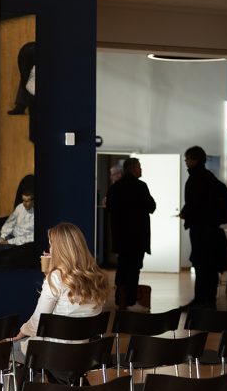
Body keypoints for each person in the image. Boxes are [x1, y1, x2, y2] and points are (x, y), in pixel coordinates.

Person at [13, 222, 109, 379]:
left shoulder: (56, 277)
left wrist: (22, 331)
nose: (50, 249)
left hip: (53, 352)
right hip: (84, 352)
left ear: (59, 249)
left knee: (11, 349)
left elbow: (38, 321)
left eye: (51, 245)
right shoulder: (96, 277)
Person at [180, 146, 227, 309]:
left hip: (200, 228)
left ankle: (200, 300)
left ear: (195, 160)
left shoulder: (196, 178)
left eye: (187, 159)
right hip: (212, 228)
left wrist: (185, 213)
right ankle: (209, 299)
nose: (186, 161)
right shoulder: (209, 177)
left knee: (201, 264)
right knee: (210, 265)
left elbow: (193, 203)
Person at [105, 158, 156, 311]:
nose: (141, 169)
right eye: (139, 167)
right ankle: (131, 301)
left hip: (120, 237)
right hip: (138, 237)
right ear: (133, 169)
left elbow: (109, 208)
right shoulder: (141, 186)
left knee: (122, 267)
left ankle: (120, 300)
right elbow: (152, 207)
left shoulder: (115, 188)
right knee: (134, 269)